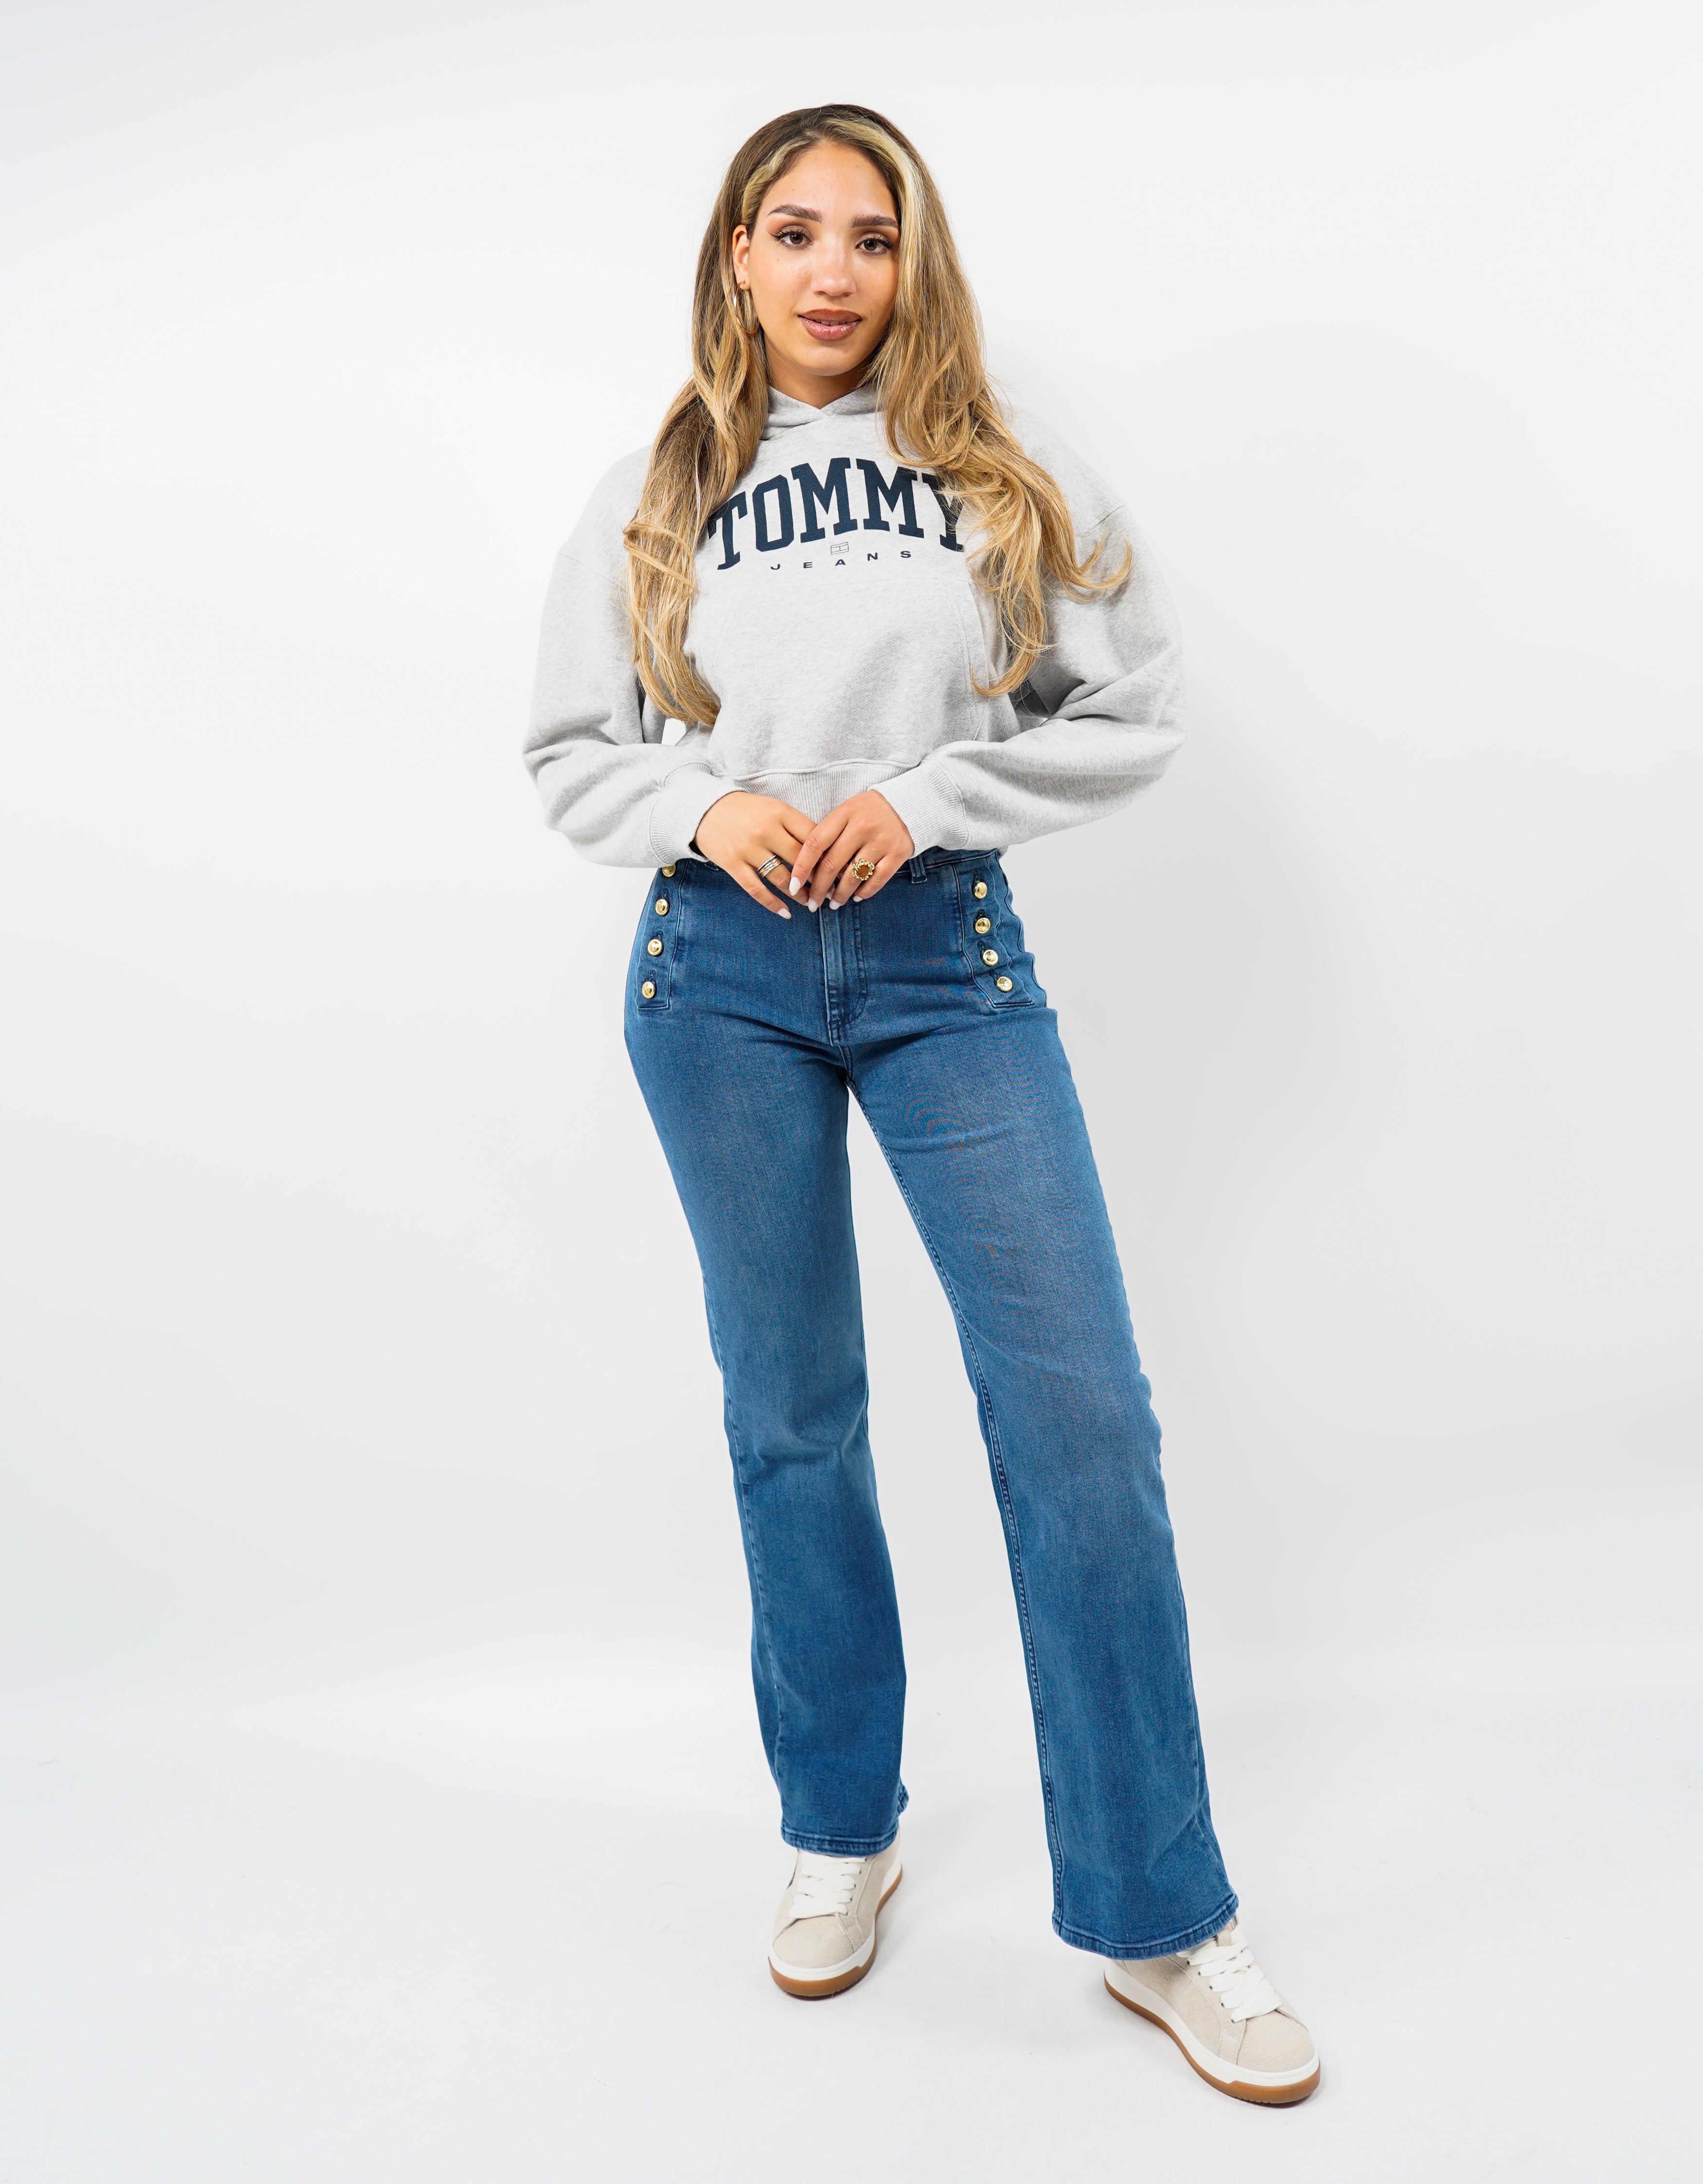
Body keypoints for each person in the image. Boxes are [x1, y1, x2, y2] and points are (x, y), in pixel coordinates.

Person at [524, 104, 1319, 2106]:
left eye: (871, 237)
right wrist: (705, 805)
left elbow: (1131, 708)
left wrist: (929, 794)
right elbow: (569, 751)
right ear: (736, 254)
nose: (833, 272)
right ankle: (839, 1822)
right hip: (715, 976)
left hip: (944, 959)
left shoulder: (1002, 473)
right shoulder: (655, 492)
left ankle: (1157, 1912)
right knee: (792, 1413)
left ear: (913, 263)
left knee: (1081, 1418)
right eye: (793, 232)